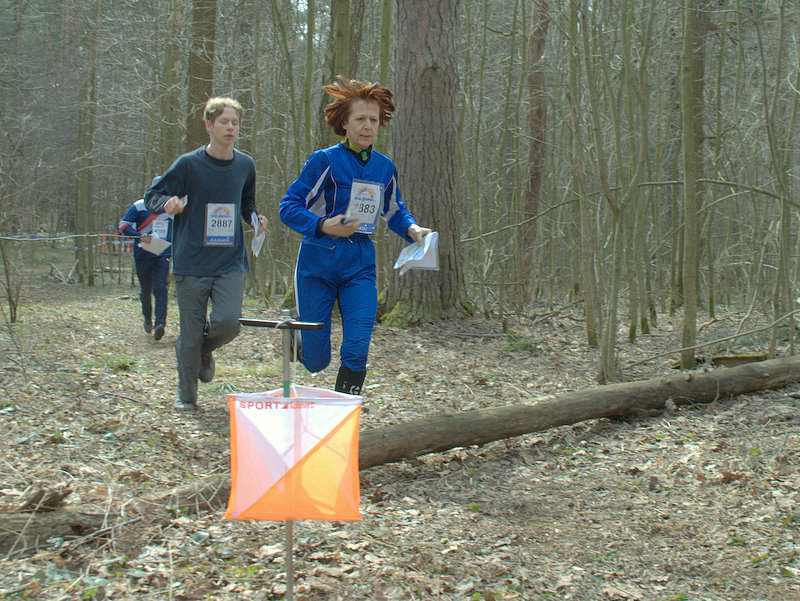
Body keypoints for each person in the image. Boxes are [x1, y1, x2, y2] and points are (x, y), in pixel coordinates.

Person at [279, 76, 431, 396]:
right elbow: (288, 207)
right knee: (317, 361)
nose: (367, 126)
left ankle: (346, 410)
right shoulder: (325, 160)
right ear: (344, 123)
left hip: (359, 262)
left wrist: (412, 229)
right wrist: (324, 225)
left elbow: (394, 210)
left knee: (358, 345)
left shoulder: (384, 167)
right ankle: (299, 334)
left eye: (373, 120)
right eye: (360, 119)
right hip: (318, 259)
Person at [144, 96, 268, 411]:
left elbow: (247, 202)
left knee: (229, 322)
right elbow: (152, 196)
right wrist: (167, 204)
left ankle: (202, 348)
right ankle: (186, 397)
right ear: (209, 125)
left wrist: (254, 219)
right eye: (224, 122)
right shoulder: (189, 164)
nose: (230, 127)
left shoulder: (245, 165)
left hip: (230, 260)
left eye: (235, 122)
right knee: (189, 332)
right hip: (192, 261)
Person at [118, 177, 173, 341]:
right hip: (143, 253)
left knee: (160, 288)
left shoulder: (172, 208)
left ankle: (160, 324)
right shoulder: (139, 205)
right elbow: (123, 225)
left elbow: (179, 229)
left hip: (162, 254)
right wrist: (138, 235)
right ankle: (147, 318)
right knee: (146, 290)